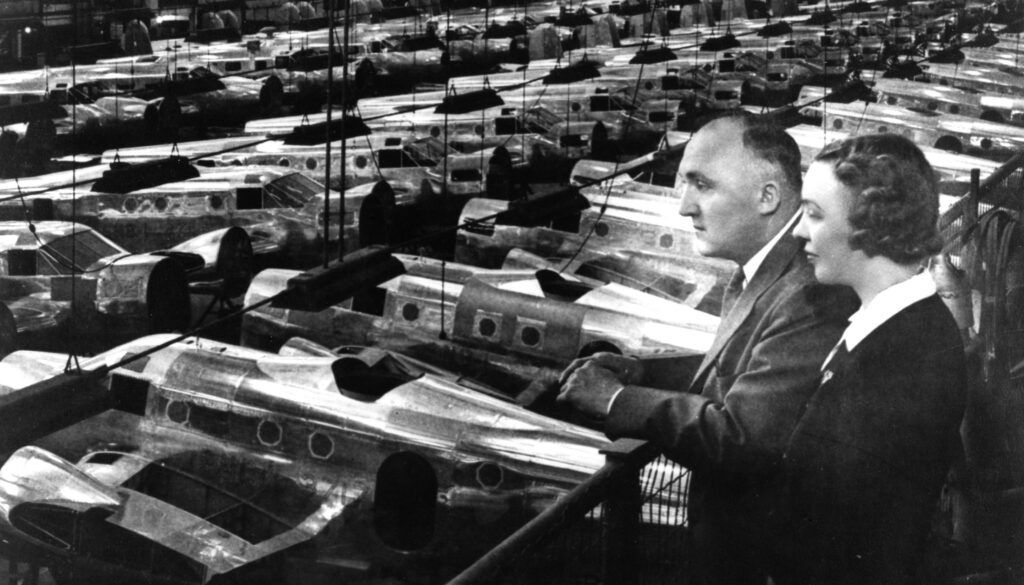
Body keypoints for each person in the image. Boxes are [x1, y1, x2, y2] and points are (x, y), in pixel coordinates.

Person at [557, 112, 858, 584]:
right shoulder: (765, 271)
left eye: (702, 185)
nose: (684, 207)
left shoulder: (807, 292)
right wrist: (643, 373)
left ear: (768, 197)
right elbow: (747, 369)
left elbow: (746, 438)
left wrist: (616, 400)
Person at [773, 133, 966, 584]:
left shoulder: (900, 360)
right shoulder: (902, 327)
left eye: (815, 214)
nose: (800, 229)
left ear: (872, 223)